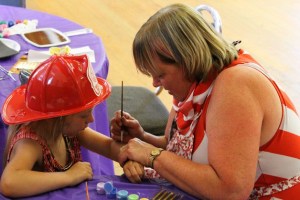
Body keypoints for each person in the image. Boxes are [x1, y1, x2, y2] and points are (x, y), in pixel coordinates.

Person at [110, 3, 300, 200]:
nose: (155, 82)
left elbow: (230, 191)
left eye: (160, 74)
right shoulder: (193, 80)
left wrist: (151, 155)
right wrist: (143, 138)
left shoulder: (236, 84)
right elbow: (180, 150)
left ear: (185, 59)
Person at [0, 54, 141, 198]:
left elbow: (108, 146)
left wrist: (127, 158)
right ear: (58, 117)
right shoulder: (30, 142)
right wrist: (69, 176)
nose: (91, 120)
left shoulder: (69, 130)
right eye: (83, 116)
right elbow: (9, 183)